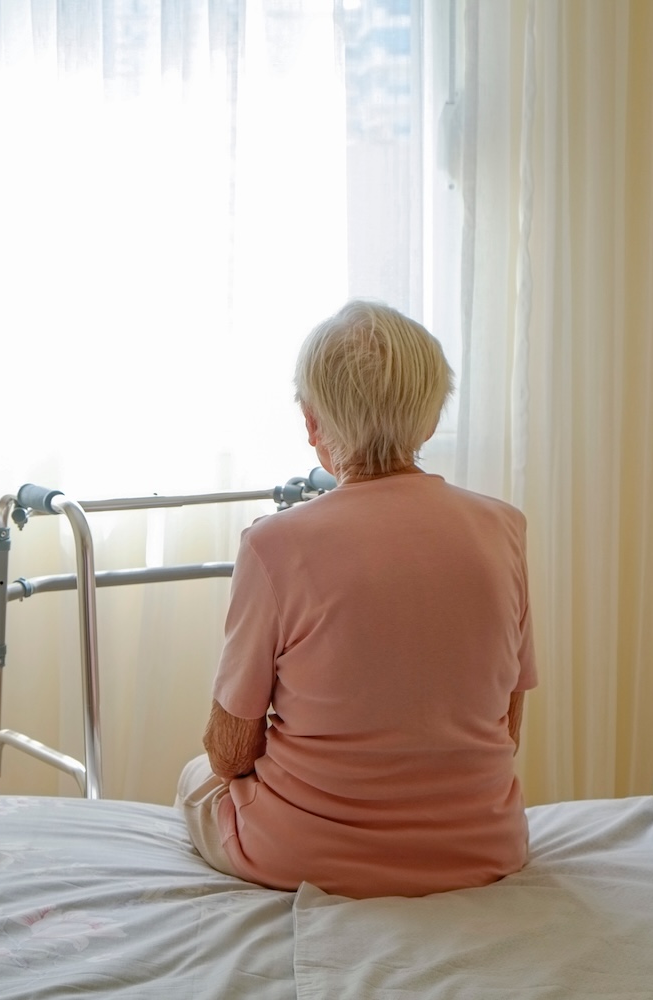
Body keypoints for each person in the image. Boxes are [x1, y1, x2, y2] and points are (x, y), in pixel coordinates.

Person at [175, 300, 535, 899]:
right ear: (428, 421)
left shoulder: (273, 544)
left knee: (196, 776)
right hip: (482, 847)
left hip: (304, 858)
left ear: (313, 423)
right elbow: (507, 728)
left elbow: (230, 751)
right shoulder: (505, 529)